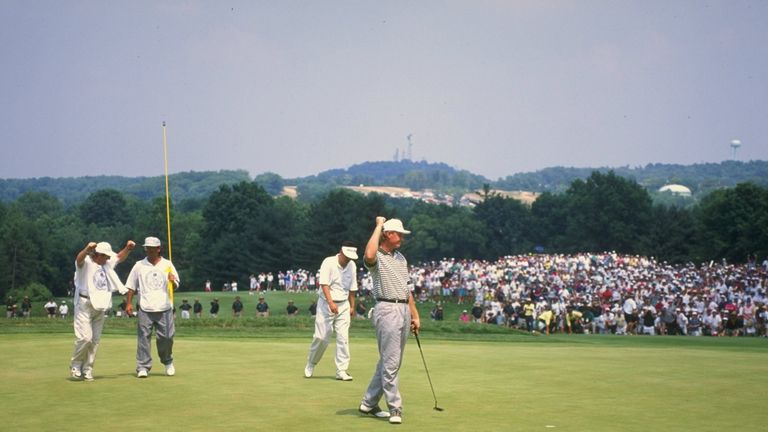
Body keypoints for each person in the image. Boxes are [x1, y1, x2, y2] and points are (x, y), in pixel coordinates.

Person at [359, 217, 420, 424]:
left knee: (390, 361)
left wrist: (415, 315)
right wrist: (378, 225)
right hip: (386, 308)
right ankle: (395, 408)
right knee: (391, 362)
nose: (401, 237)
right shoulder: (377, 256)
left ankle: (368, 402)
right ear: (387, 234)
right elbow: (368, 254)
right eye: (398, 233)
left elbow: (407, 289)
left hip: (403, 308)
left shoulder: (401, 258)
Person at [70, 240, 134, 381]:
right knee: (85, 338)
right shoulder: (86, 263)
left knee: (95, 340)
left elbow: (119, 257)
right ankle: (76, 364)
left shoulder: (106, 264)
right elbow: (78, 259)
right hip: (84, 303)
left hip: (101, 304)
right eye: (106, 256)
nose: (108, 259)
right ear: (98, 254)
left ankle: (88, 369)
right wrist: (87, 248)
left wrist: (127, 249)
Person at [125, 236, 180, 378]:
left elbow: (175, 285)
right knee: (143, 337)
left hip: (165, 307)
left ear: (158, 249)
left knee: (167, 337)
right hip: (145, 307)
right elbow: (131, 286)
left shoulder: (167, 264)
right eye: (147, 248)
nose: (148, 250)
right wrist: (129, 303)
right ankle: (143, 366)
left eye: (151, 248)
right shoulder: (139, 265)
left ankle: (167, 361)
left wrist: (172, 281)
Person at [304, 242, 359, 382]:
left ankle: (341, 370)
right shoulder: (328, 262)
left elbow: (352, 289)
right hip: (326, 303)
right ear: (341, 251)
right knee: (321, 337)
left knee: (343, 337)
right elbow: (324, 284)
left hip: (343, 305)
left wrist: (352, 306)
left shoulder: (352, 265)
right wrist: (331, 303)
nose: (348, 259)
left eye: (350, 257)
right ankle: (311, 363)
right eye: (346, 256)